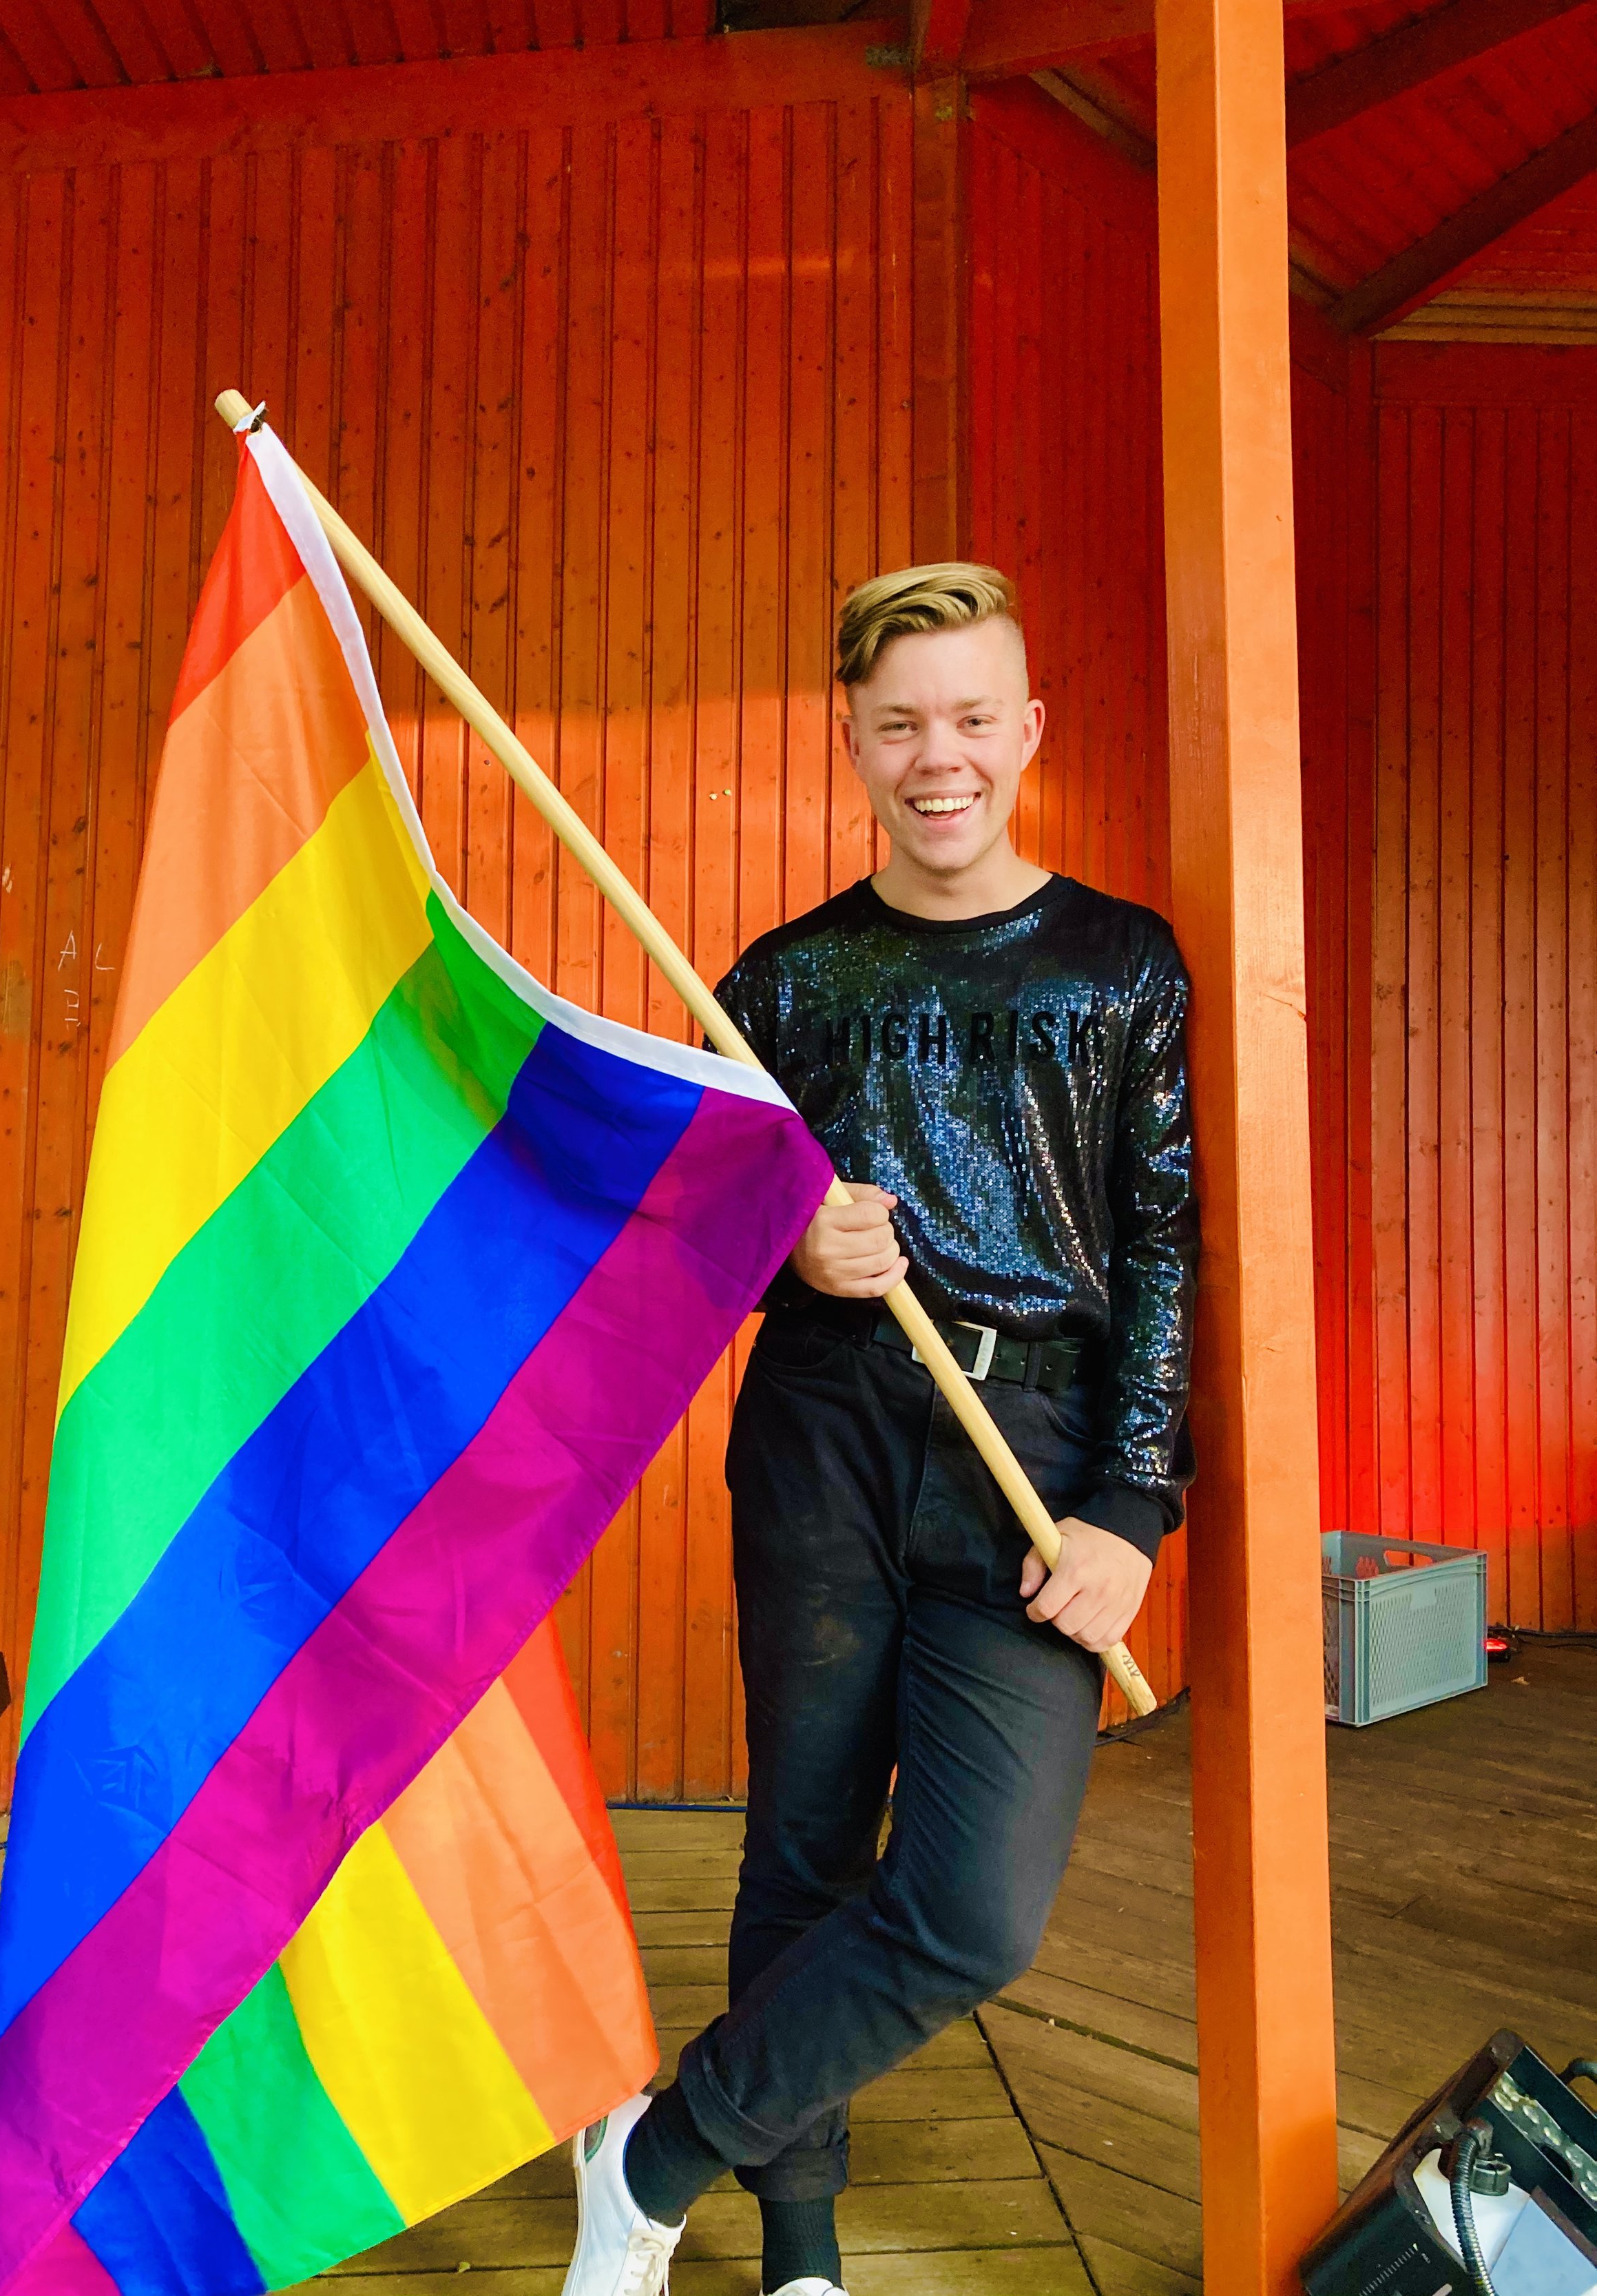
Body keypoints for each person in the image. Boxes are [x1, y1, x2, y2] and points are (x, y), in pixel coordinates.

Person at [562, 563, 1198, 2296]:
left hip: (1036, 1460)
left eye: (972, 718)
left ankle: (655, 2148)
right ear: (851, 738)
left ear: (1026, 730)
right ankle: (802, 2257)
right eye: (902, 722)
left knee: (972, 1912)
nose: (941, 757)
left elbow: (1160, 1251)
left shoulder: (1120, 966)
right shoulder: (781, 976)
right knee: (803, 1839)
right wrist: (784, 1249)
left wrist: (1133, 1506)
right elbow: (676, 1226)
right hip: (826, 1430)